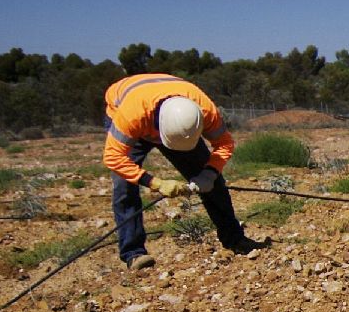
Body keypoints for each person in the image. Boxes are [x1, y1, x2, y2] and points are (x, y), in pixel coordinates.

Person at [102, 73, 267, 269]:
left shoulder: (205, 111)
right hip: (126, 108)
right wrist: (156, 183)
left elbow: (225, 143)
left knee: (214, 183)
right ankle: (134, 253)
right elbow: (113, 157)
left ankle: (235, 239)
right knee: (125, 187)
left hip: (169, 115)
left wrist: (209, 173)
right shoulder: (132, 116)